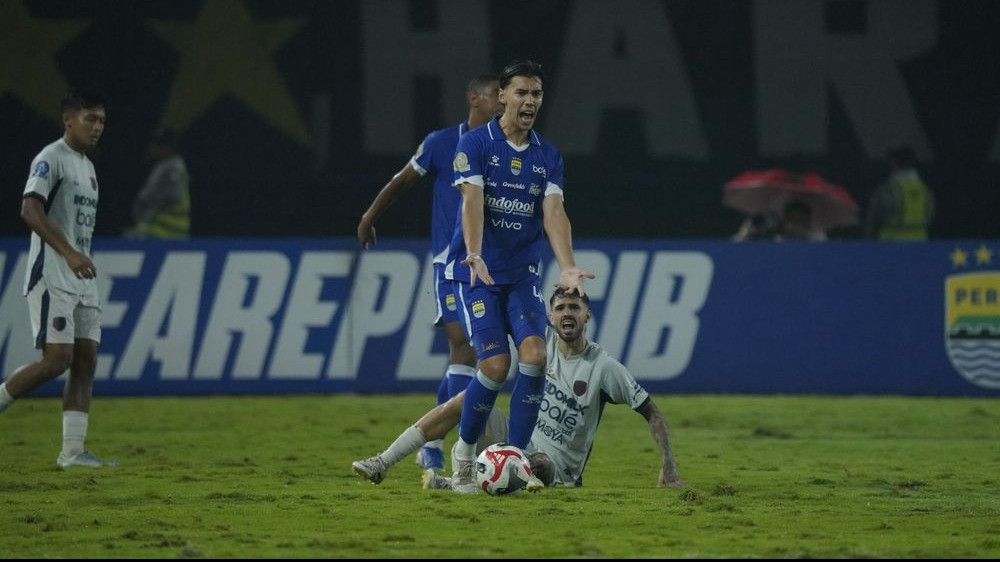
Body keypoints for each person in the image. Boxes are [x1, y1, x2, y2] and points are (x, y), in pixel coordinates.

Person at [351, 288, 684, 490]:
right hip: (513, 437)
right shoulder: (537, 348)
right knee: (469, 399)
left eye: (575, 308)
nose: (567, 313)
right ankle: (384, 461)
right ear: (550, 318)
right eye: (561, 308)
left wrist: (668, 465)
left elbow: (652, 414)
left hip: (555, 470)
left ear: (587, 316)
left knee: (537, 464)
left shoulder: (604, 367)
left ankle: (461, 482)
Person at [445, 60, 594, 493]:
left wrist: (566, 264)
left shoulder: (548, 155)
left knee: (535, 355)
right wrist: (473, 253)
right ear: (503, 96)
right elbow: (471, 201)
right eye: (523, 93)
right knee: (494, 363)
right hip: (478, 274)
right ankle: (465, 455)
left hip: (522, 275)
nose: (531, 102)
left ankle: (516, 458)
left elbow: (553, 211)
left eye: (538, 94)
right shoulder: (475, 145)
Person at [356, 74, 503, 472]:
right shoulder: (441, 142)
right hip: (450, 261)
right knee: (464, 347)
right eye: (496, 96)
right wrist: (370, 216)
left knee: (476, 357)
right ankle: (465, 456)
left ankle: (433, 443)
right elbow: (402, 180)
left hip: (491, 262)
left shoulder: (503, 146)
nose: (502, 104)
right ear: (473, 97)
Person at [0, 88, 117, 468]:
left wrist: (78, 258)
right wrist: (68, 253)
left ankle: (72, 452)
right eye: (90, 119)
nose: (97, 126)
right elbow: (29, 210)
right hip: (52, 273)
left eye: (101, 120)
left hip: (81, 277)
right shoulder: (51, 158)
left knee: (86, 360)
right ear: (68, 120)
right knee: (57, 360)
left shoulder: (88, 167)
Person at [124, 127, 191, 239]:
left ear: (169, 147)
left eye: (159, 145)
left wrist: (142, 207)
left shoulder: (173, 168)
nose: (153, 148)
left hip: (166, 232)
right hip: (157, 230)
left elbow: (159, 198)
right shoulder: (164, 165)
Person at [865, 145, 935, 240]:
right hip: (919, 243)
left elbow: (873, 219)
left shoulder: (888, 190)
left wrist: (868, 241)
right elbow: (930, 215)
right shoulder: (924, 190)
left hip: (891, 244)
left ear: (893, 163)